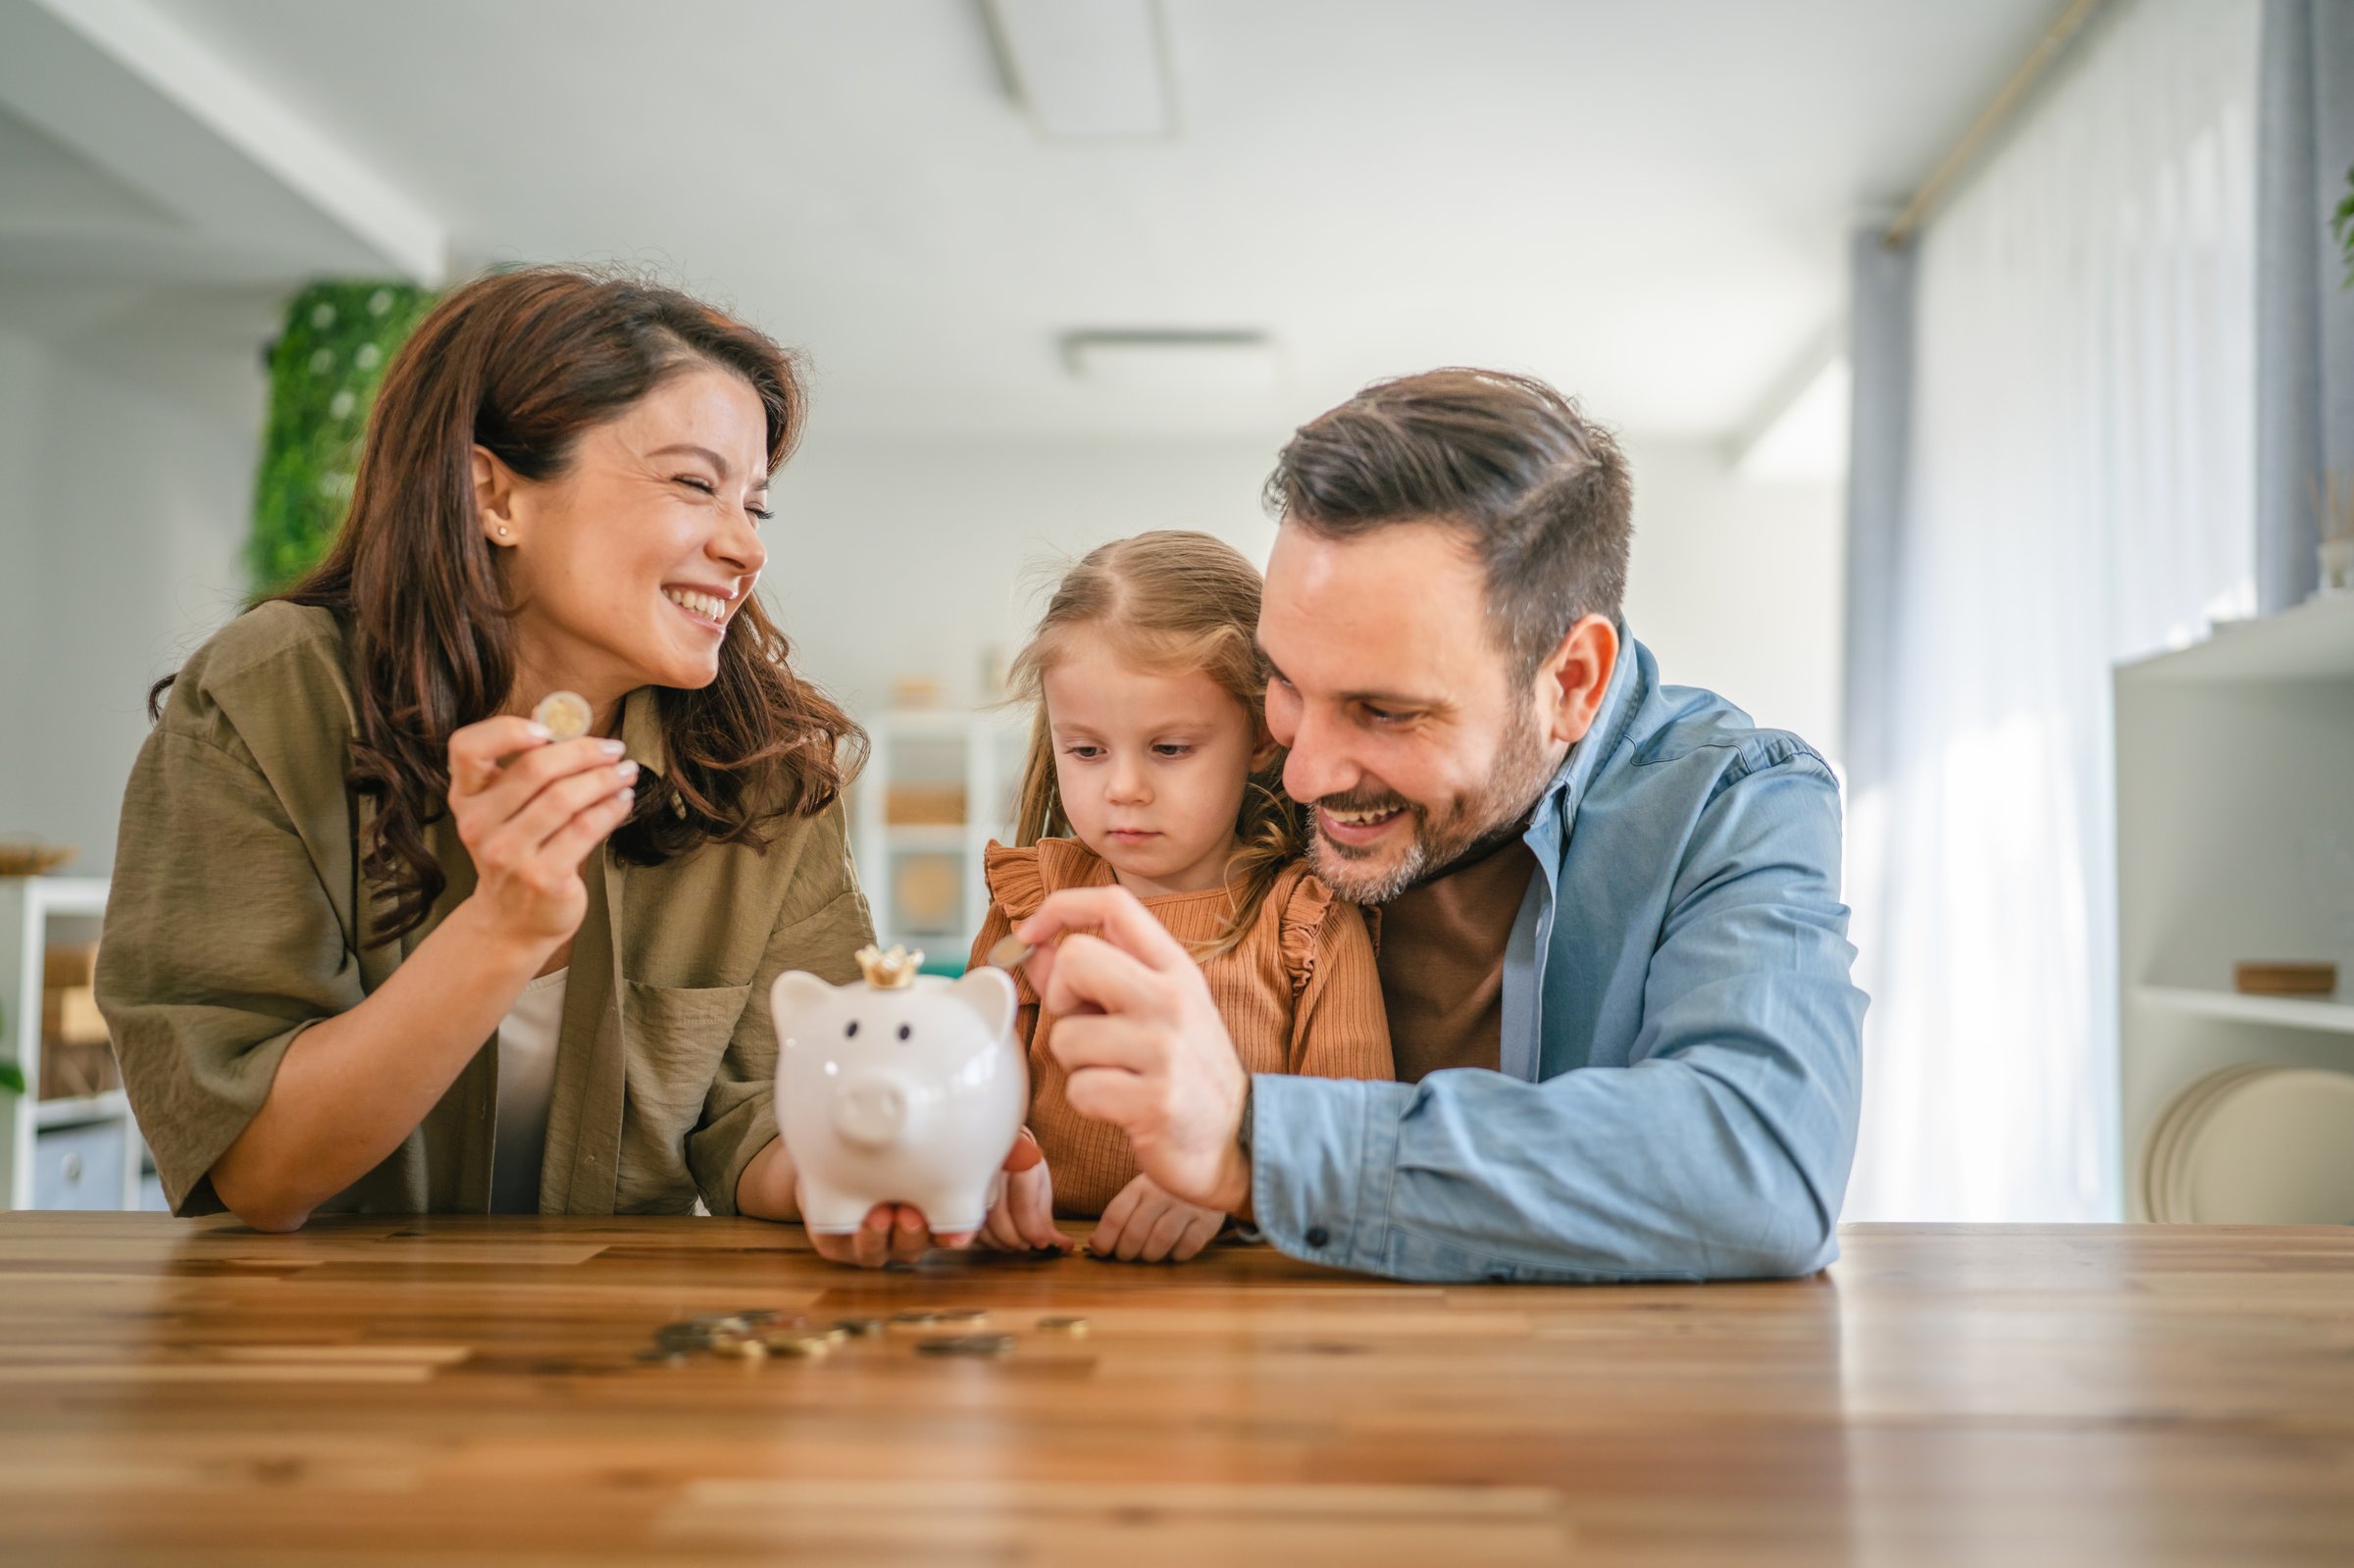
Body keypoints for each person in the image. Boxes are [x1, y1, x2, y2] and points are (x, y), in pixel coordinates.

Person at [96, 266, 966, 1266]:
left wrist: (896, 1167)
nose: (745, 548)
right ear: (495, 494)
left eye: (755, 507)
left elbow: (774, 1116)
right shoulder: (275, 697)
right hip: (318, 1362)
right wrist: (502, 929)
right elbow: (257, 1169)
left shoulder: (764, 770)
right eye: (695, 484)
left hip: (617, 1360)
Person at [1009, 369, 1868, 1283]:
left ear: (1570, 682)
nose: (1303, 774)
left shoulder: (1731, 802)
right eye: (1288, 684)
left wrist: (1257, 1144)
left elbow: (1760, 1163)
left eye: (1385, 711)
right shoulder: (1235, 778)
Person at [965, 531, 1392, 1263]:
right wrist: (992, 1151)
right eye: (1087, 750)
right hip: (1043, 1281)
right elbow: (971, 1073)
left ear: (1261, 736)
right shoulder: (1031, 901)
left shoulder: (1308, 921)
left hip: (1240, 1304)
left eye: (1169, 748)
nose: (1123, 787)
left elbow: (1359, 1141)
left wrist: (1231, 1187)